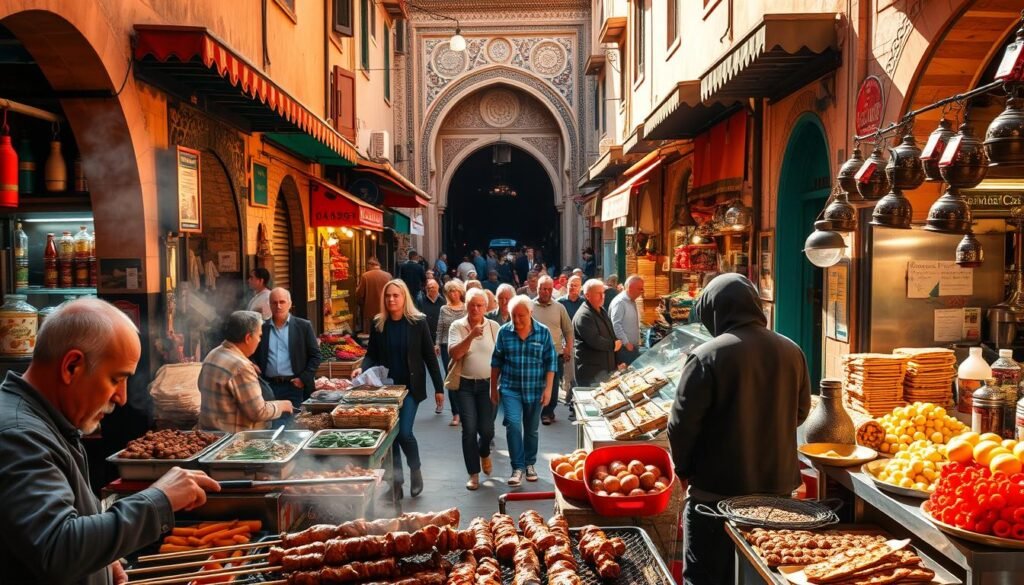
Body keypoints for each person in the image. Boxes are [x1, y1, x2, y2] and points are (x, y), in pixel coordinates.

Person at [0, 299, 222, 585]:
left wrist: (100, 560)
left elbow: (53, 535)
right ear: (72, 366)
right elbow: (56, 548)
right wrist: (158, 499)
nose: (122, 397)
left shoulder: (48, 421)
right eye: (116, 379)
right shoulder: (19, 435)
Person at [667, 274, 811, 585]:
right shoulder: (792, 350)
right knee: (765, 574)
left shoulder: (707, 356)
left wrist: (684, 469)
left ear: (713, 311)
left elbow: (681, 425)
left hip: (715, 496)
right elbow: (800, 413)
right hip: (777, 493)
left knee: (708, 576)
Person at [354, 280, 444, 499]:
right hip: (386, 390)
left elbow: (430, 358)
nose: (391, 299)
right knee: (389, 438)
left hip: (410, 388)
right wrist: (360, 369)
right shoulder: (379, 323)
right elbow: (372, 355)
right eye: (388, 296)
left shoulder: (417, 322)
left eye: (396, 295)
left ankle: (415, 470)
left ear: (404, 297)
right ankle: (395, 483)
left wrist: (439, 389)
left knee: (404, 433)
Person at [490, 295, 556, 487]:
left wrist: (549, 389)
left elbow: (550, 362)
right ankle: (517, 467)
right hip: (510, 388)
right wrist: (493, 388)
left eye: (521, 316)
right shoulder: (504, 332)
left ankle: (530, 464)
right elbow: (496, 363)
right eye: (513, 316)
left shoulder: (543, 333)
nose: (517, 320)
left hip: (535, 389)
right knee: (513, 424)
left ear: (530, 313)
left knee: (531, 429)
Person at [200, 310, 295, 431]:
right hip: (233, 441)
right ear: (248, 337)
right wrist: (283, 405)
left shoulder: (213, 354)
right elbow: (258, 412)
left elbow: (201, 386)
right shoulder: (241, 367)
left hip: (211, 434)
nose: (260, 340)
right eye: (259, 336)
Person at [448, 288, 500, 490]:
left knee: (487, 430)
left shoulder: (494, 326)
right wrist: (470, 336)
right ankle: (473, 473)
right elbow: (454, 354)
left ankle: (484, 451)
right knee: (469, 429)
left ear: (486, 307)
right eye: (472, 305)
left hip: (488, 385)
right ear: (466, 306)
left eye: (480, 305)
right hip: (465, 386)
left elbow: (502, 355)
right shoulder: (457, 326)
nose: (476, 309)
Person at [250, 288, 321, 409]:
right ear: (269, 305)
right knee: (271, 424)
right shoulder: (262, 328)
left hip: (295, 387)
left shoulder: (303, 326)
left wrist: (303, 379)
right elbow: (251, 353)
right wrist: (253, 365)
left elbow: (316, 356)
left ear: (290, 304)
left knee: (293, 424)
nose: (278, 306)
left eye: (282, 302)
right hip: (268, 386)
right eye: (274, 302)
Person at [532, 276, 573, 425]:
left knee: (553, 385)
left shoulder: (559, 307)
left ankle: (548, 412)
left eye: (549, 289)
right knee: (536, 383)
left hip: (555, 354)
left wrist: (568, 347)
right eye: (543, 288)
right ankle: (537, 409)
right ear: (538, 289)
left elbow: (568, 329)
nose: (546, 292)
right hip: (534, 354)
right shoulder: (529, 307)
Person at [574, 278, 621, 389]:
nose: (602, 296)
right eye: (598, 293)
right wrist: (613, 345)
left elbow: (610, 333)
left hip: (604, 371)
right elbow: (595, 340)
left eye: (603, 293)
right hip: (591, 373)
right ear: (587, 296)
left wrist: (617, 361)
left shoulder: (601, 309)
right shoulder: (584, 315)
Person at [436, 279, 467, 424]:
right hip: (446, 346)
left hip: (463, 346)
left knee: (463, 378)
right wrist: (437, 344)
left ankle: (465, 410)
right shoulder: (444, 309)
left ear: (460, 292)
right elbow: (440, 327)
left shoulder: (467, 308)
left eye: (455, 291)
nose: (453, 294)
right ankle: (456, 413)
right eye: (450, 292)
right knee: (451, 378)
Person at [557, 275, 585, 413]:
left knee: (578, 372)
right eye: (570, 284)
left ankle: (574, 399)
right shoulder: (560, 303)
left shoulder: (584, 303)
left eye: (576, 285)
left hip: (580, 342)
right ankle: (569, 399)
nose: (572, 287)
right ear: (566, 285)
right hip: (565, 342)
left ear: (580, 288)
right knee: (568, 373)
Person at [609, 275, 645, 366]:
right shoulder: (620, 302)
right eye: (640, 289)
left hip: (632, 347)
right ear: (630, 288)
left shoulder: (632, 301)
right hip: (625, 348)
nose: (642, 291)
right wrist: (626, 343)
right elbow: (616, 324)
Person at [355, 258, 392, 333]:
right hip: (385, 310)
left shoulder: (365, 276)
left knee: (370, 335)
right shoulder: (388, 276)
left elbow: (359, 294)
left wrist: (361, 305)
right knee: (385, 332)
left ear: (370, 265)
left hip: (369, 312)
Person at [416, 279, 444, 345]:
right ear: (426, 289)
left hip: (439, 337)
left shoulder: (443, 301)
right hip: (425, 335)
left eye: (433, 287)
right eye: (429, 287)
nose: (431, 289)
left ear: (438, 288)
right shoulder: (421, 301)